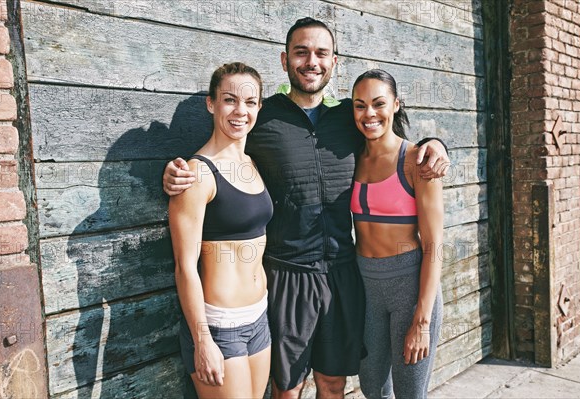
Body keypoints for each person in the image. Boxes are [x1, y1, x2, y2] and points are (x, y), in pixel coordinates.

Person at [164, 18, 450, 399]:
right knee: (288, 389)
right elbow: (221, 151)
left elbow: (391, 138)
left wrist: (436, 143)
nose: (311, 61)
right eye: (301, 52)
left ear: (335, 62)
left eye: (321, 53)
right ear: (285, 60)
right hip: (286, 276)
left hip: (342, 274)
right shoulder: (261, 116)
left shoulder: (351, 118)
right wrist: (174, 171)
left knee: (333, 386)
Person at [168, 62, 273, 399]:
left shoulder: (252, 164)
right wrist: (202, 340)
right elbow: (185, 267)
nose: (240, 111)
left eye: (250, 102)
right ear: (211, 104)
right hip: (219, 326)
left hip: (259, 317)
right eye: (230, 100)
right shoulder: (196, 173)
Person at [350, 69, 443, 399]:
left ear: (396, 105)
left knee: (409, 392)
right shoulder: (350, 156)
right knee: (371, 387)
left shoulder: (417, 162)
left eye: (378, 104)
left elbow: (433, 246)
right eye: (360, 105)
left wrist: (422, 320)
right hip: (366, 287)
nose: (369, 114)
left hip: (409, 285)